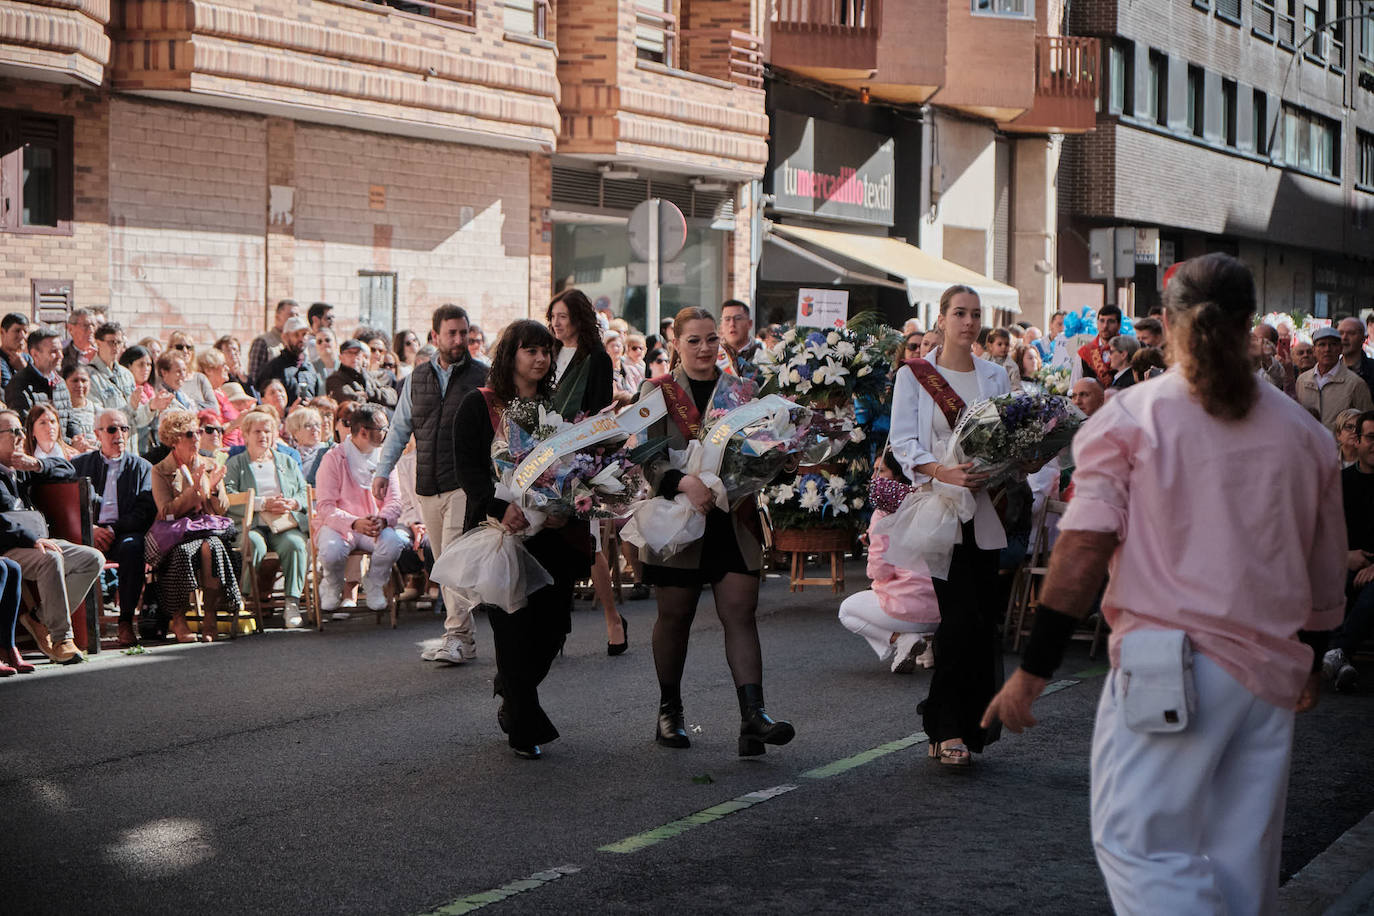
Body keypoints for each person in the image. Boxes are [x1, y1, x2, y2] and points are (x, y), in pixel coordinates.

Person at [982, 253, 1343, 915]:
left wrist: (1032, 670)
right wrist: (1314, 657)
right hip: (1269, 673)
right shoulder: (1308, 436)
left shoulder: (1130, 418)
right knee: (1241, 859)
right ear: (1248, 325)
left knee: (1139, 842)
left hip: (1167, 663)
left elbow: (1083, 549)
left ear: (1171, 326)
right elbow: (1325, 568)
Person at [637, 306, 793, 755]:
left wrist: (785, 460)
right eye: (694, 341)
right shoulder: (657, 391)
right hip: (679, 516)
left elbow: (763, 453)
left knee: (740, 613)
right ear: (677, 344)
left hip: (732, 516)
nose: (705, 348)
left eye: (711, 340)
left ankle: (754, 718)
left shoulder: (743, 393)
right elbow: (647, 456)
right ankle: (670, 711)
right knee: (676, 617)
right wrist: (683, 481)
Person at [453, 319, 593, 759]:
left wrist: (562, 505)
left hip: (552, 535)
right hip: (501, 533)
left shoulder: (557, 407)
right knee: (512, 628)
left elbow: (577, 466)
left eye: (546, 351)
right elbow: (470, 471)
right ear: (510, 354)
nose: (540, 358)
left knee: (552, 630)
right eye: (530, 350)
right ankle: (524, 726)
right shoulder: (480, 405)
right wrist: (501, 507)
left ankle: (511, 688)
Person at [888, 284, 1014, 767]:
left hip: (984, 509)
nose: (968, 321)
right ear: (941, 318)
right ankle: (944, 728)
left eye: (975, 314)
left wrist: (1009, 465)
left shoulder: (995, 375)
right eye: (959, 313)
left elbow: (1006, 438)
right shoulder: (917, 376)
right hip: (939, 510)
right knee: (958, 619)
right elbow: (902, 443)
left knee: (981, 622)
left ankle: (960, 722)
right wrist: (942, 471)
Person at [373, 305, 486, 661]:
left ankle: (456, 636)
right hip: (427, 484)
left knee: (452, 555)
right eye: (451, 333)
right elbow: (399, 429)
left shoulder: (483, 375)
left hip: (464, 482)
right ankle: (463, 639)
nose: (459, 340)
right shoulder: (416, 378)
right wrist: (381, 470)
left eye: (463, 333)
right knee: (442, 560)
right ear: (434, 336)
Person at [547, 289, 623, 652]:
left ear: (578, 317)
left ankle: (612, 618)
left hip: (580, 458)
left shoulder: (596, 358)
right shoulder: (546, 353)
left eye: (562, 316)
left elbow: (598, 410)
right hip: (544, 458)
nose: (556, 324)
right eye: (553, 317)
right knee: (549, 541)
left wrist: (583, 451)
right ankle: (555, 624)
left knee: (587, 543)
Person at [0, 408, 101, 664]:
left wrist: (37, 464)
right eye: (13, 431)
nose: (21, 436)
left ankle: (39, 618)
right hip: (9, 547)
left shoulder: (21, 467)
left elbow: (67, 470)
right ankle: (61, 639)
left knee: (92, 559)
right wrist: (29, 539)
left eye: (21, 430)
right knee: (49, 559)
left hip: (39, 541)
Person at [149, 410, 242, 642]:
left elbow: (222, 509)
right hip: (178, 534)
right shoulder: (161, 470)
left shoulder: (210, 464)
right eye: (190, 434)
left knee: (212, 548)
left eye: (199, 432)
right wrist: (194, 492)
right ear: (174, 440)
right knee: (182, 553)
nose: (197, 438)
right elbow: (165, 511)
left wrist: (211, 489)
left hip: (208, 530)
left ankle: (210, 615)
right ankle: (179, 619)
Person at [838, 465, 939, 674]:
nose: (874, 476)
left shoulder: (883, 513)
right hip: (943, 610)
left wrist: (874, 545)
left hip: (909, 610)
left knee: (847, 610)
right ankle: (922, 647)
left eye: (881, 470)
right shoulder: (933, 503)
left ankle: (902, 640)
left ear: (898, 474)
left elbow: (879, 572)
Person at [72, 408, 156, 648]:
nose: (119, 434)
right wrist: (92, 528)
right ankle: (73, 629)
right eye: (112, 429)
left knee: (133, 547)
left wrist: (112, 530)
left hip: (123, 534)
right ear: (98, 434)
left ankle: (126, 621)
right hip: (88, 533)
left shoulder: (142, 468)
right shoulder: (80, 465)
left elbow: (144, 511)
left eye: (124, 428)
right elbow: (69, 504)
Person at [314, 403, 405, 618]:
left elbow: (395, 502)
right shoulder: (333, 458)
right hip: (339, 526)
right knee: (331, 550)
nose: (386, 434)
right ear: (363, 431)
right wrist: (354, 522)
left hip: (373, 526)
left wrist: (382, 520)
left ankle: (375, 583)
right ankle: (333, 584)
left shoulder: (386, 459)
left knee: (393, 542)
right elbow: (325, 506)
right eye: (382, 429)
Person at [225, 410, 310, 628]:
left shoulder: (287, 461)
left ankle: (291, 602)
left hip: (283, 524)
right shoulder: (236, 463)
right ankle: (241, 599)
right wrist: (263, 503)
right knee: (254, 544)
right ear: (246, 434)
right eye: (257, 431)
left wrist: (293, 503)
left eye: (267, 431)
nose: (263, 435)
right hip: (252, 524)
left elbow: (303, 491)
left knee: (296, 544)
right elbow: (228, 496)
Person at [1326, 408, 1374, 692]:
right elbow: (1325, 533)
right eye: (1371, 437)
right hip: (1347, 563)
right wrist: (1345, 557)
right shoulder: (1342, 483)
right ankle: (1340, 660)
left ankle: (1337, 652)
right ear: (1357, 440)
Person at [1296, 326, 1374, 430]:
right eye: (1322, 345)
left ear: (1341, 349)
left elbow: (1367, 422)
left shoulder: (1355, 383)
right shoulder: (1302, 381)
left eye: (1333, 344)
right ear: (1314, 350)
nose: (1327, 349)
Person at [6, 327, 76, 437]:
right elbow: (26, 429)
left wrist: (78, 439)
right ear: (35, 354)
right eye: (53, 351)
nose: (60, 356)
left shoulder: (60, 382)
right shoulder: (19, 384)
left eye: (60, 350)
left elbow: (70, 421)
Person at [256, 316, 321, 408]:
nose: (301, 339)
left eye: (304, 334)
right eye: (296, 335)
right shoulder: (273, 368)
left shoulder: (310, 368)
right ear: (285, 337)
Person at [327, 338, 398, 411]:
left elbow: (393, 396)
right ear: (340, 358)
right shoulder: (335, 379)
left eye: (357, 353)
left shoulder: (368, 376)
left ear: (362, 356)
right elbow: (353, 403)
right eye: (349, 353)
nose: (354, 357)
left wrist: (369, 394)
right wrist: (379, 403)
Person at [248, 298, 299, 384]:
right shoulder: (263, 342)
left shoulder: (299, 343)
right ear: (277, 316)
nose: (295, 319)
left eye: (297, 315)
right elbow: (254, 378)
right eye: (290, 315)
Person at [88, 322, 134, 410]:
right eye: (111, 342)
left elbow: (136, 413)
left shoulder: (127, 375)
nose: (116, 347)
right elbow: (97, 412)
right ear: (98, 343)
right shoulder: (88, 376)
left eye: (119, 342)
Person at [1077, 305, 1122, 388]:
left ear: (1119, 325)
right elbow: (1075, 385)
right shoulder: (1085, 351)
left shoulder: (1126, 349)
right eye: (1102, 321)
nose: (1105, 326)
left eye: (1111, 321)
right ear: (1097, 323)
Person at [284, 406, 330, 484]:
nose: (315, 429)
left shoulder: (329, 452)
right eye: (308, 425)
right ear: (295, 432)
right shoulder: (288, 456)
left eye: (317, 425)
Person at [1338, 316, 1374, 399]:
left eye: (1351, 333)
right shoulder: (1330, 370)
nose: (1344, 338)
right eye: (1340, 333)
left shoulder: (1371, 369)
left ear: (1363, 339)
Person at [62, 365, 97, 445]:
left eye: (84, 380)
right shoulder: (59, 411)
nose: (80, 385)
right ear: (64, 383)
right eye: (75, 380)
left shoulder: (98, 410)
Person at [0, 313, 28, 390]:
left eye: (25, 332)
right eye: (17, 331)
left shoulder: (29, 358)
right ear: (2, 332)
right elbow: (7, 392)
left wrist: (24, 369)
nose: (23, 336)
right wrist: (24, 372)